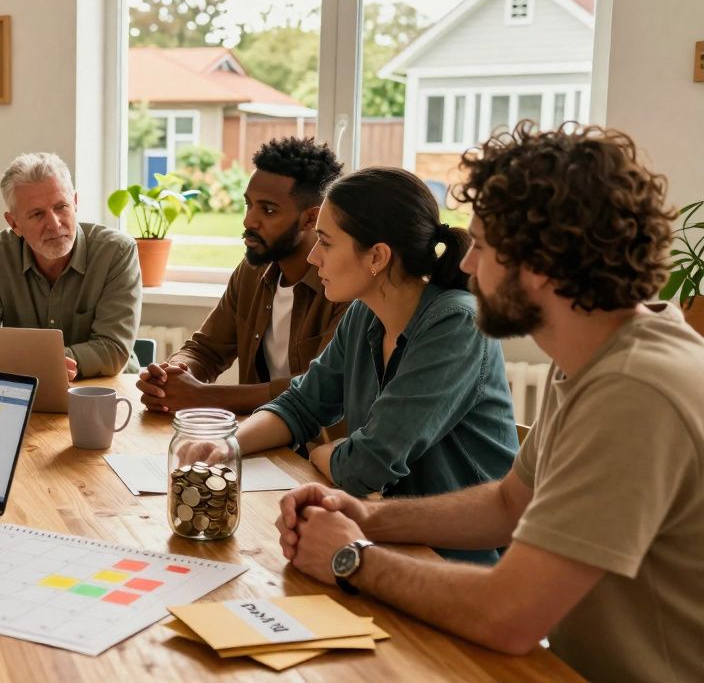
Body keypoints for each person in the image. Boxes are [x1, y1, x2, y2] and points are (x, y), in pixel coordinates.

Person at [276, 124, 704, 682]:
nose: (468, 265)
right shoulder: (593, 358)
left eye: (481, 246)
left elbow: (510, 614)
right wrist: (367, 516)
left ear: (542, 262)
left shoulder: (634, 391)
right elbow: (510, 505)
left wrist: (351, 556)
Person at [237, 166, 517, 564]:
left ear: (377, 256)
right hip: (391, 538)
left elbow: (368, 463)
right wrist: (225, 445)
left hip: (462, 561)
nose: (314, 257)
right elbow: (301, 405)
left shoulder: (456, 322)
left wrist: (321, 455)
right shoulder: (364, 315)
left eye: (326, 243)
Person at [137, 137, 349, 414]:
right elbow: (206, 351)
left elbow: (318, 388)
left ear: (311, 219)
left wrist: (203, 396)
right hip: (255, 440)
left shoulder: (345, 287)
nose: (249, 221)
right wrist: (173, 375)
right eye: (248, 205)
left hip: (314, 452)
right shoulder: (252, 272)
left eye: (268, 210)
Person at [0, 152, 142, 379]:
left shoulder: (117, 252)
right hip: (28, 388)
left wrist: (34, 363)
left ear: (75, 203)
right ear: (14, 224)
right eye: (37, 214)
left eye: (61, 206)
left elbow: (113, 350)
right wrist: (39, 366)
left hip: (106, 387)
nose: (54, 224)